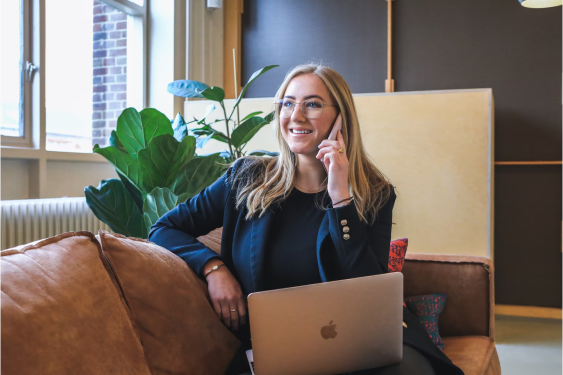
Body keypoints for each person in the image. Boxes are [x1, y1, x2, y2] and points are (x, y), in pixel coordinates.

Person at [149, 64, 464, 375]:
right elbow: (163, 228)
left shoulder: (375, 194)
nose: (295, 115)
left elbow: (369, 290)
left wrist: (341, 198)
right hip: (278, 348)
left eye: (312, 104)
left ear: (341, 118)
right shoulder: (245, 178)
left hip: (363, 342)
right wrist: (213, 268)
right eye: (287, 103)